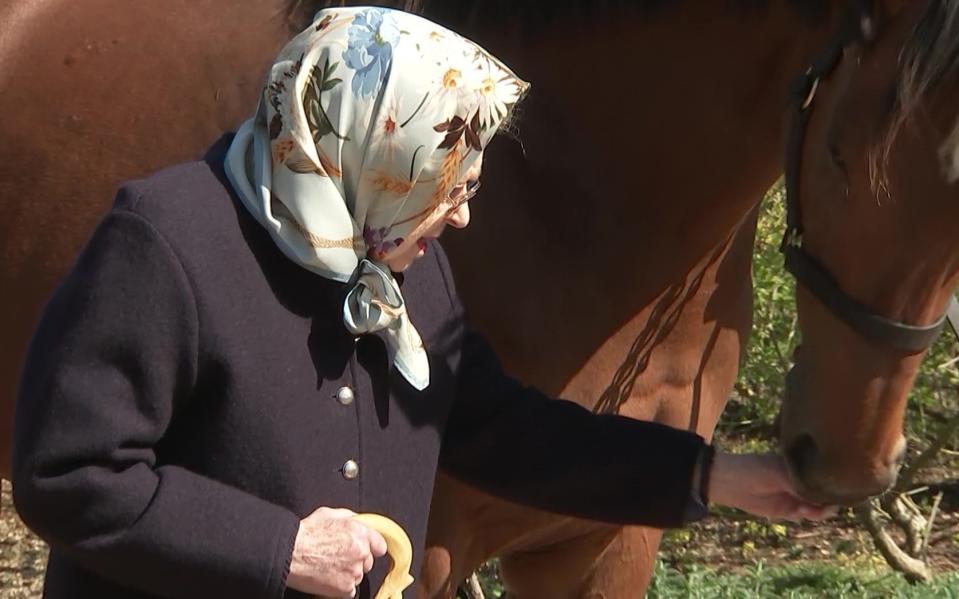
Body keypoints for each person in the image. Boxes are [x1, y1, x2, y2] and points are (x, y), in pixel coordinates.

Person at [11, 7, 830, 599]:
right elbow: (69, 475)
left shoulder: (396, 253)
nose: (464, 211)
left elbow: (495, 427)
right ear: (372, 144)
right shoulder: (166, 241)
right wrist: (284, 549)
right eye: (448, 180)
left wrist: (711, 475)